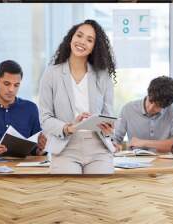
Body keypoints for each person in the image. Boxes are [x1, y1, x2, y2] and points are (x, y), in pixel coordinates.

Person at [39, 19, 117, 174]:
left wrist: (108, 129)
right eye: (79, 36)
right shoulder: (51, 73)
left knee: (99, 196)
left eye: (89, 40)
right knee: (68, 196)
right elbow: (45, 118)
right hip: (65, 147)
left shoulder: (103, 76)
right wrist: (68, 128)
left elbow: (108, 115)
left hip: (98, 147)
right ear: (71, 38)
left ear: (94, 47)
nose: (82, 42)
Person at [114, 76, 173, 155]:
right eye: (150, 101)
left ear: (166, 106)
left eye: (157, 106)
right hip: (134, 162)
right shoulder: (128, 109)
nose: (150, 108)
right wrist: (115, 146)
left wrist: (142, 142)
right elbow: (116, 139)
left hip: (164, 162)